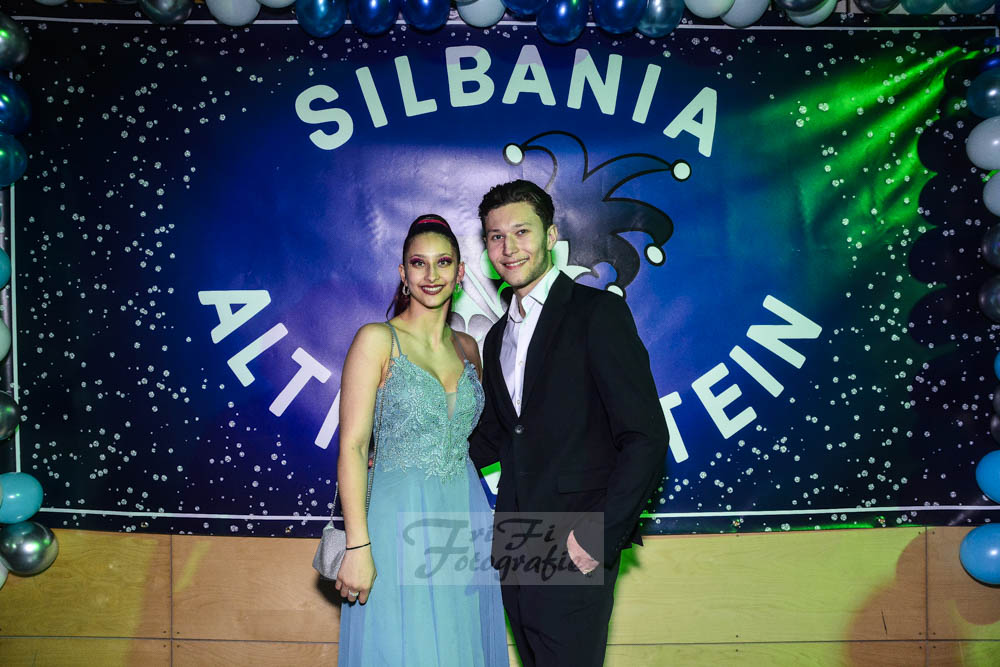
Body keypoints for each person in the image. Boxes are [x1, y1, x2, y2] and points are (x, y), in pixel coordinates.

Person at [469, 180, 670, 667]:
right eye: (496, 236)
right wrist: (408, 456)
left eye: (521, 231)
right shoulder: (496, 337)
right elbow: (495, 435)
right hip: (516, 542)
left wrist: (598, 535)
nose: (509, 247)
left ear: (551, 235)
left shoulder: (597, 313)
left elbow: (645, 437)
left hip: (576, 537)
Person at [335, 214, 508, 667]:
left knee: (457, 643)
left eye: (443, 262)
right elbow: (353, 447)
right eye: (418, 263)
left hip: (463, 517)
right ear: (403, 273)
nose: (431, 275)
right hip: (394, 520)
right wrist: (357, 545)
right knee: (401, 647)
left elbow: (477, 438)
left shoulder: (470, 348)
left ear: (460, 272)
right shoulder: (377, 340)